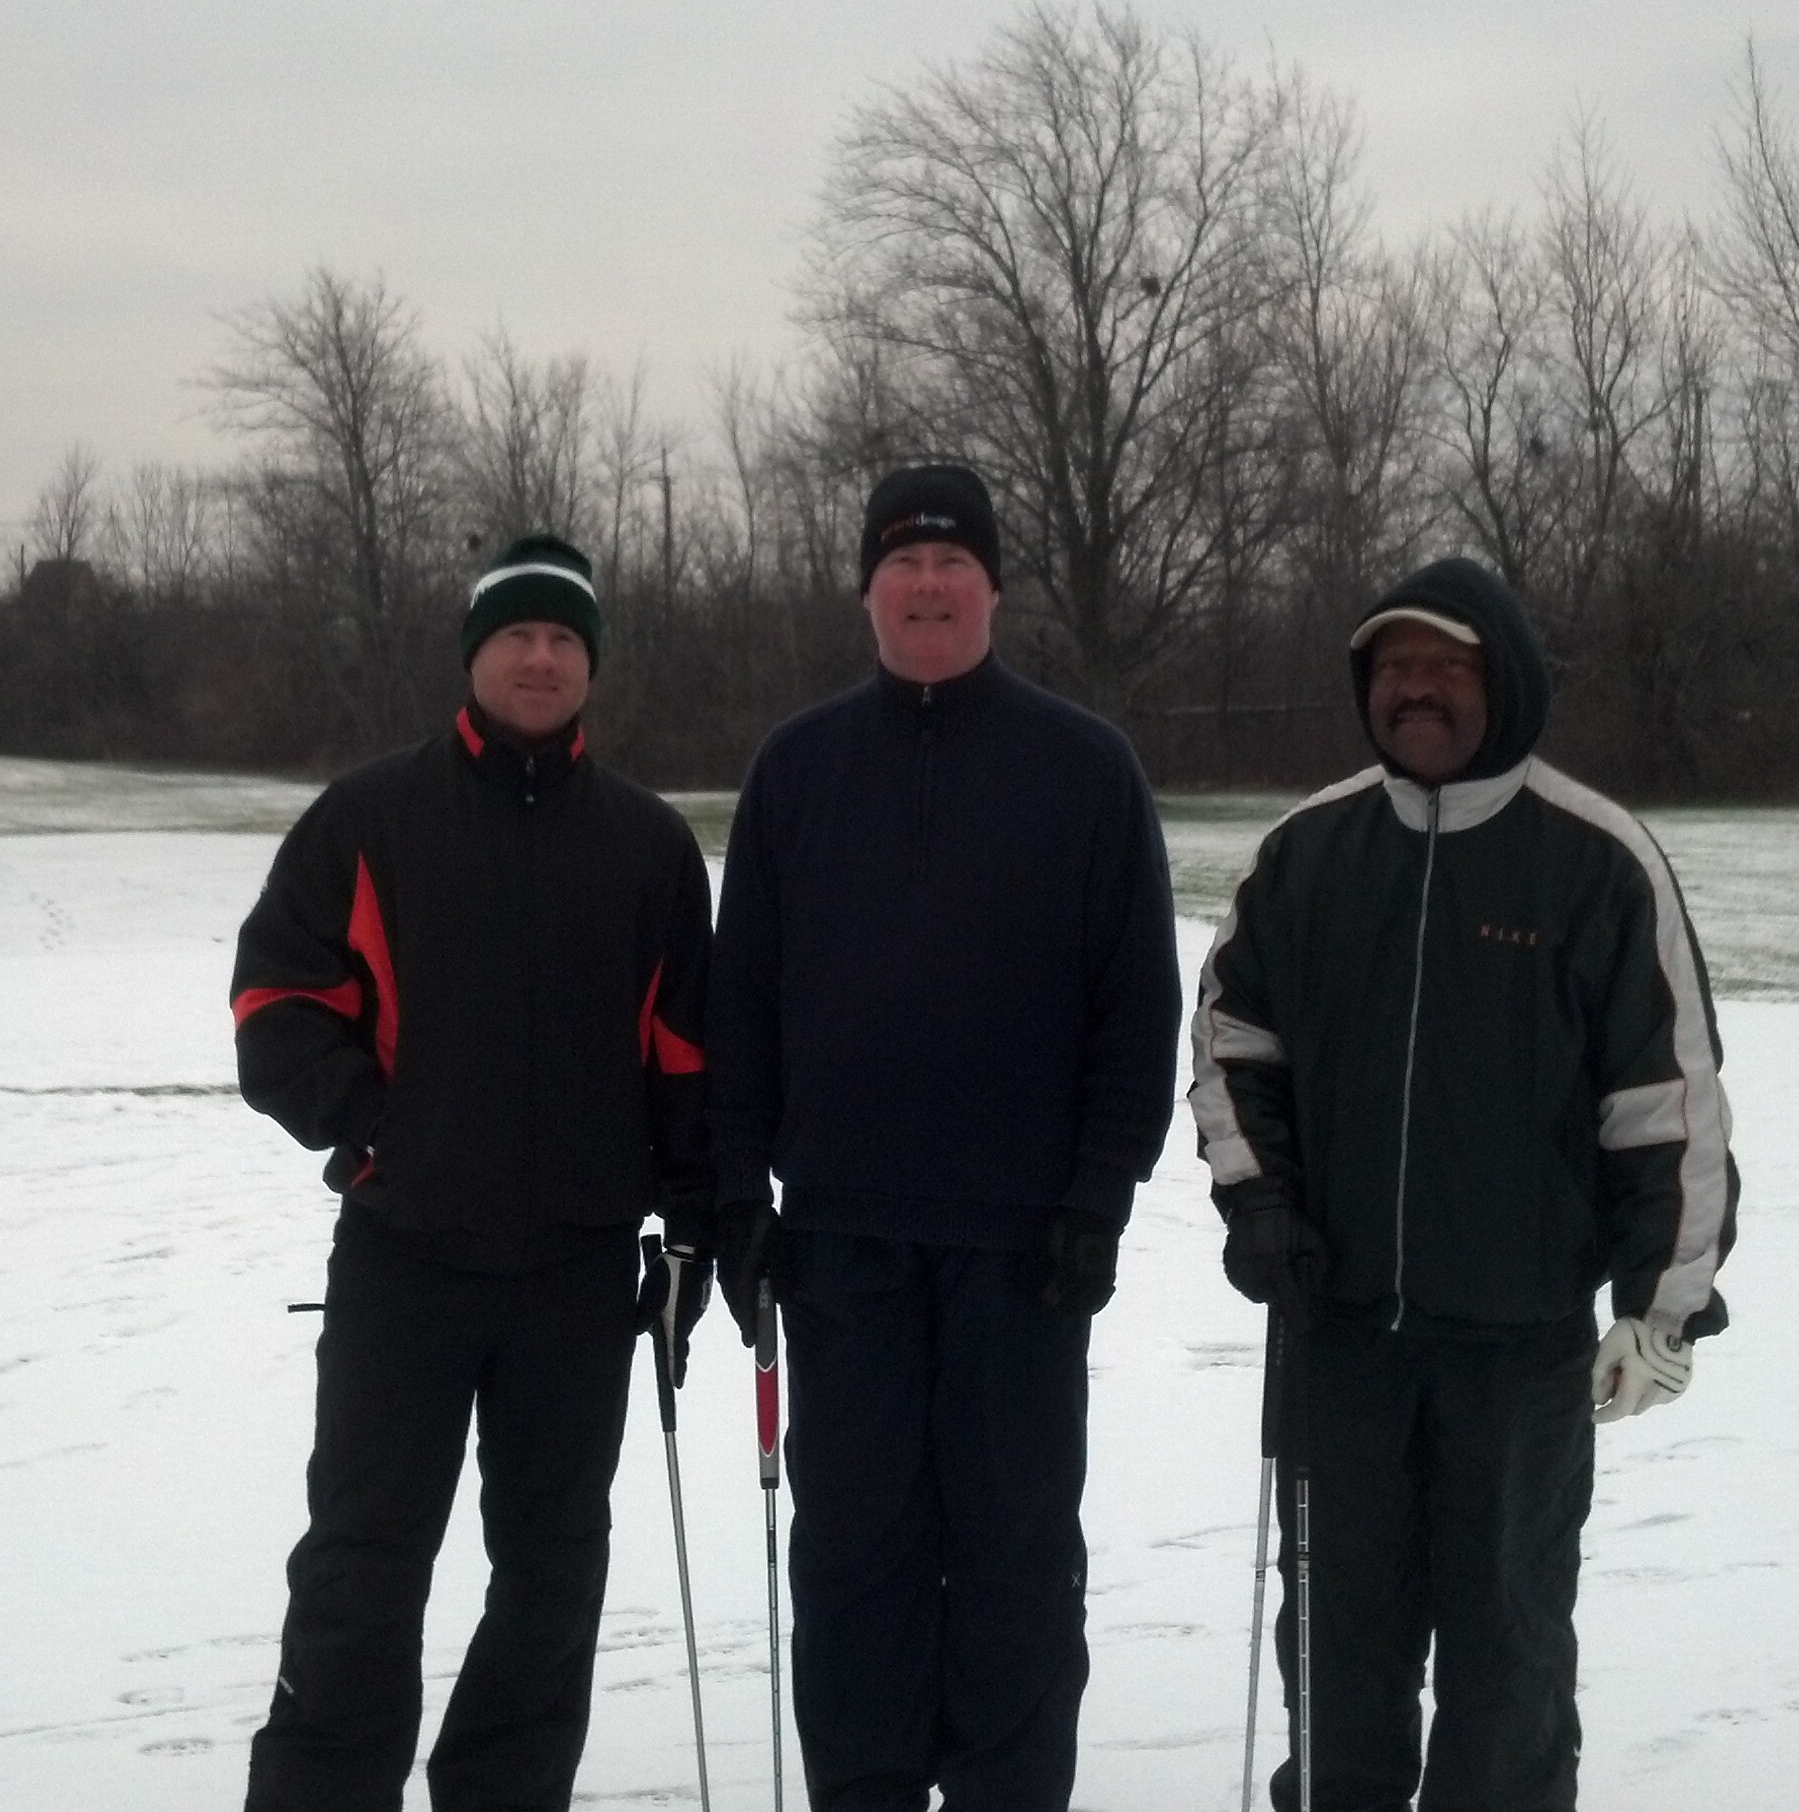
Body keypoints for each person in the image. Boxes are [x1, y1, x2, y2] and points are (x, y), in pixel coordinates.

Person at [1191, 554, 1739, 1812]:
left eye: (1447, 665)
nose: (1418, 688)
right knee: (1336, 1644)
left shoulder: (1595, 859)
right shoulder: (1308, 852)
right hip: (1339, 1335)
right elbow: (1231, 1041)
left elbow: (1669, 1101)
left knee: (1508, 1650)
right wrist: (1259, 1197)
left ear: (1507, 682)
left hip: (1518, 1346)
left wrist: (1661, 1303)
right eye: (1395, 666)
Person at [706, 462, 1184, 1812]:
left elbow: (1134, 1006)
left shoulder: (1085, 770)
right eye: (903, 563)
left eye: (953, 562)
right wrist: (738, 1191)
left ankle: (1006, 1788)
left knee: (1014, 1551)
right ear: (867, 591)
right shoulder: (797, 770)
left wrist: (1098, 1193)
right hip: (841, 1241)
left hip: (1022, 1252)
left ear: (993, 590)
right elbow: (741, 1004)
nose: (928, 585)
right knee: (854, 1552)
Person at [228, 533, 715, 1812]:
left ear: (590, 663)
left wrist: (698, 1223)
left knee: (552, 1572)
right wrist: (376, 1130)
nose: (539, 659)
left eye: (562, 639)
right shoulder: (371, 818)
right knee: (364, 1563)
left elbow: (687, 1058)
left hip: (577, 1270)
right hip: (408, 1258)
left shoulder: (649, 846)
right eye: (516, 636)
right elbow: (276, 1005)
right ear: (474, 656)